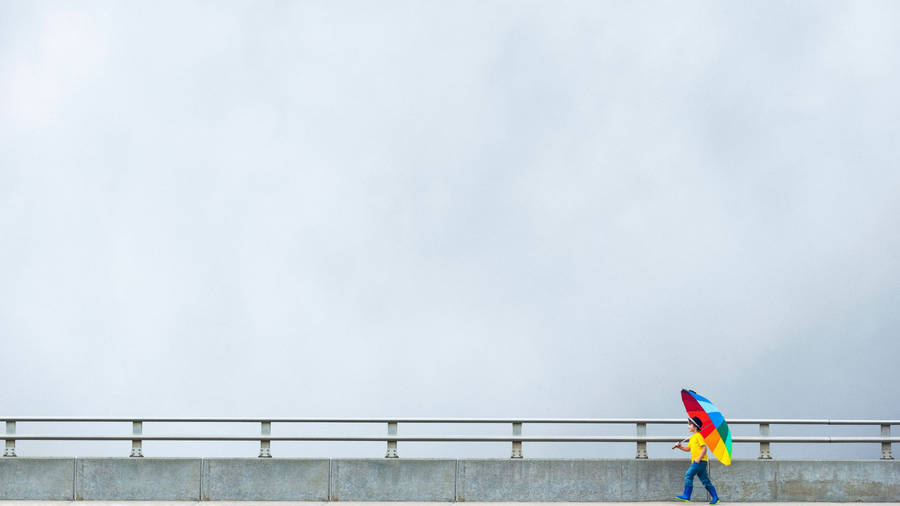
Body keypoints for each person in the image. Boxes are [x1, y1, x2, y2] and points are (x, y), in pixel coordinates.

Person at [672, 416, 720, 504]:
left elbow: (704, 449)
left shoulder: (699, 436)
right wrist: (680, 447)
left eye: (690, 424)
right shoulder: (692, 437)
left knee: (688, 475)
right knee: (705, 481)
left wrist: (698, 458)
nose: (688, 426)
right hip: (700, 462)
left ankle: (687, 495)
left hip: (700, 462)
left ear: (695, 426)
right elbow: (688, 449)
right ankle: (715, 497)